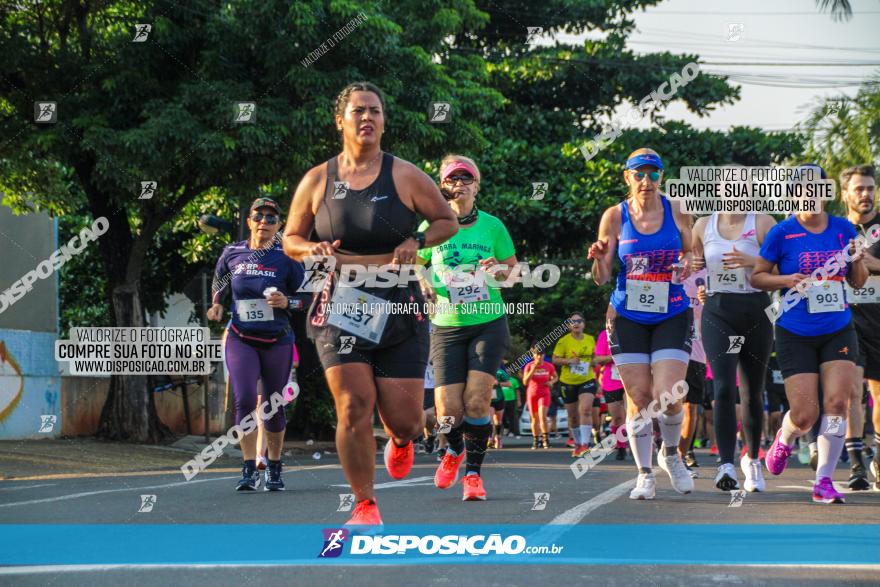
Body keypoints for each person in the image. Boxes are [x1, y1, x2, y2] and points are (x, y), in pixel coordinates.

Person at [282, 82, 457, 529]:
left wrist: (415, 241)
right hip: (341, 300)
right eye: (358, 111)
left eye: (375, 111)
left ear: (383, 120)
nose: (367, 119)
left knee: (406, 422)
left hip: (398, 301)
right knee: (353, 405)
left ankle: (400, 440)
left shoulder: (404, 175)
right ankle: (365, 505)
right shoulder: (318, 179)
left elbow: (446, 220)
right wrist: (311, 251)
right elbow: (290, 238)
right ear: (339, 121)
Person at [754, 165, 868, 504]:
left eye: (816, 187)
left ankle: (824, 480)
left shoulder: (842, 228)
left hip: (837, 328)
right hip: (794, 330)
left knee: (837, 403)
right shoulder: (782, 232)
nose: (810, 194)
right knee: (805, 414)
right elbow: (757, 277)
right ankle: (786, 436)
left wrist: (859, 259)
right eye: (803, 188)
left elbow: (858, 281)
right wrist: (785, 280)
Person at [589, 148, 695, 500]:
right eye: (639, 174)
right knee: (638, 396)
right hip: (627, 314)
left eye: (653, 173)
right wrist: (598, 259)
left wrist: (687, 264)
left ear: (661, 176)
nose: (646, 181)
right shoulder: (614, 217)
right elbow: (601, 277)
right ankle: (644, 474)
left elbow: (690, 254)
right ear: (627, 177)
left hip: (672, 310)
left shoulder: (677, 210)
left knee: (668, 395)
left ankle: (671, 455)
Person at [418, 154, 518, 502]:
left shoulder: (492, 226)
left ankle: (473, 475)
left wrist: (498, 270)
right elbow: (415, 262)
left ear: (476, 185)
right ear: (442, 186)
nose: (459, 184)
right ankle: (453, 450)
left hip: (487, 322)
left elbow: (513, 271)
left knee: (476, 402)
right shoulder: (430, 226)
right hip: (446, 325)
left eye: (466, 179)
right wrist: (423, 282)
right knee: (447, 410)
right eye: (452, 179)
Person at [208, 197, 304, 492]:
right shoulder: (232, 253)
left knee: (274, 405)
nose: (264, 222)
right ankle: (249, 468)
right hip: (241, 337)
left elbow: (308, 300)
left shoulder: (287, 256)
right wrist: (215, 305)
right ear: (249, 221)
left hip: (277, 339)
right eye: (258, 216)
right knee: (246, 399)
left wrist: (288, 301)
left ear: (278, 226)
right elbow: (219, 282)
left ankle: (274, 466)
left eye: (271, 218)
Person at [693, 207, 776, 492]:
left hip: (756, 310)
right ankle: (725, 465)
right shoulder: (704, 224)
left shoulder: (764, 222)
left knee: (752, 391)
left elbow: (782, 269)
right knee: (724, 388)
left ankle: (752, 460)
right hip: (719, 312)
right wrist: (700, 283)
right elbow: (694, 265)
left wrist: (753, 261)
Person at [840, 164, 880, 491]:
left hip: (879, 320)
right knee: (852, 389)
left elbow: (869, 265)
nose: (865, 194)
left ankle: (877, 455)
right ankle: (856, 465)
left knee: (878, 394)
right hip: (847, 318)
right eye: (859, 189)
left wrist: (871, 264)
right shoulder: (836, 230)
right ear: (846, 195)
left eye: (870, 188)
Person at [552, 312, 598, 457]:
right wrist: (568, 361)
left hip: (587, 379)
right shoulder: (563, 341)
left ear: (583, 324)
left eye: (579, 321)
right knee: (572, 416)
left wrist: (594, 361)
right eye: (573, 321)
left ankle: (585, 444)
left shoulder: (590, 339)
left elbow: (595, 357)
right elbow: (554, 359)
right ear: (569, 325)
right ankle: (578, 444)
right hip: (568, 382)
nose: (576, 323)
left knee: (585, 410)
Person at [679, 269, 708, 471]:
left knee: (691, 408)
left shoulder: (711, 273)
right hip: (671, 351)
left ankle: (682, 453)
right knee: (666, 407)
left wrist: (709, 302)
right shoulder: (673, 268)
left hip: (697, 354)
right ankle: (665, 443)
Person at [256, 343, 300, 470]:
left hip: (282, 380)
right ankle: (260, 455)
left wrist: (278, 360)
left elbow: (296, 362)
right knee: (261, 410)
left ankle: (273, 456)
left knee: (276, 415)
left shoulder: (286, 338)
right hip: (262, 377)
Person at [523, 346, 558, 449]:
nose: (539, 357)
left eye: (541, 354)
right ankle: (535, 440)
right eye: (537, 354)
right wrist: (533, 368)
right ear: (534, 355)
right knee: (534, 419)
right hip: (532, 393)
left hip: (544, 393)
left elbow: (556, 377)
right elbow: (525, 382)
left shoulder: (549, 366)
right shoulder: (529, 366)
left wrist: (551, 382)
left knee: (542, 416)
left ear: (544, 355)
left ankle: (546, 440)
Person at [491, 367, 511, 449]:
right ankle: (490, 439)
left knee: (498, 421)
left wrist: (498, 383)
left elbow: (509, 384)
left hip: (499, 398)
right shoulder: (483, 372)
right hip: (488, 399)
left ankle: (498, 437)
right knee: (490, 420)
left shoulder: (500, 372)